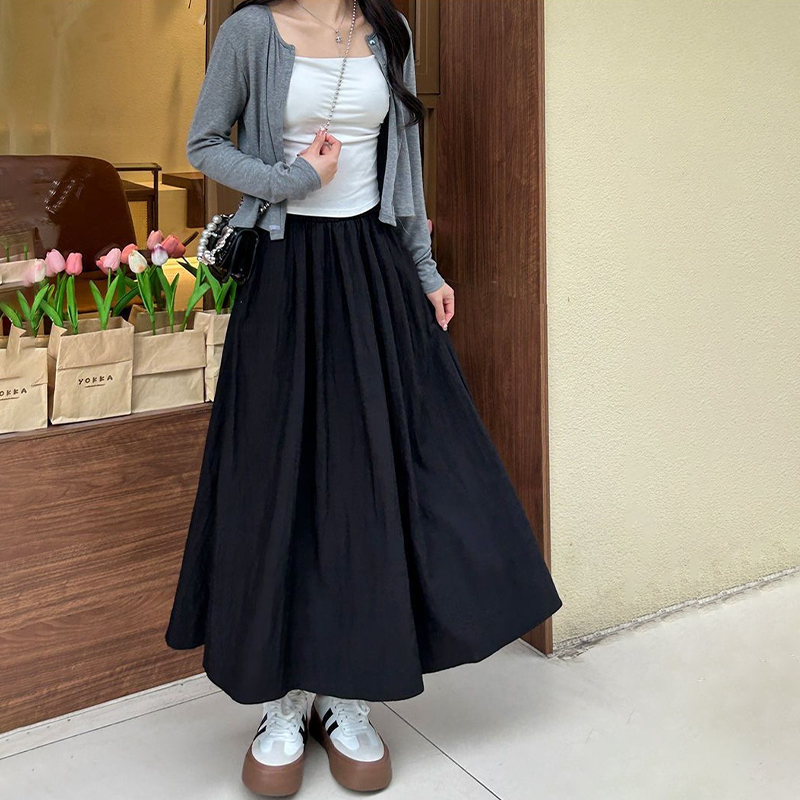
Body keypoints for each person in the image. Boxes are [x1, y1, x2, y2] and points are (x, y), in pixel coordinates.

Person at [165, 0, 562, 795]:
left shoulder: (390, 30)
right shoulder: (251, 31)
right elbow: (204, 143)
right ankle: (283, 701)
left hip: (370, 269)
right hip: (285, 273)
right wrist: (293, 180)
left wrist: (424, 267)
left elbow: (402, 158)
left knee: (368, 478)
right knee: (277, 479)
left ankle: (349, 692)